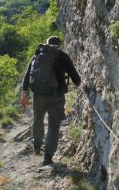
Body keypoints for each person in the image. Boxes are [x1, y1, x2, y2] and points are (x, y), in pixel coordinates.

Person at [20, 36, 81, 166]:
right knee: (54, 124)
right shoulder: (62, 55)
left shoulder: (38, 54)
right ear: (59, 45)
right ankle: (47, 157)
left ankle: (37, 145)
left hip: (38, 95)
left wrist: (24, 93)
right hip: (56, 97)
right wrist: (82, 87)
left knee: (38, 119)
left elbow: (27, 75)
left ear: (47, 44)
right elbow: (74, 74)